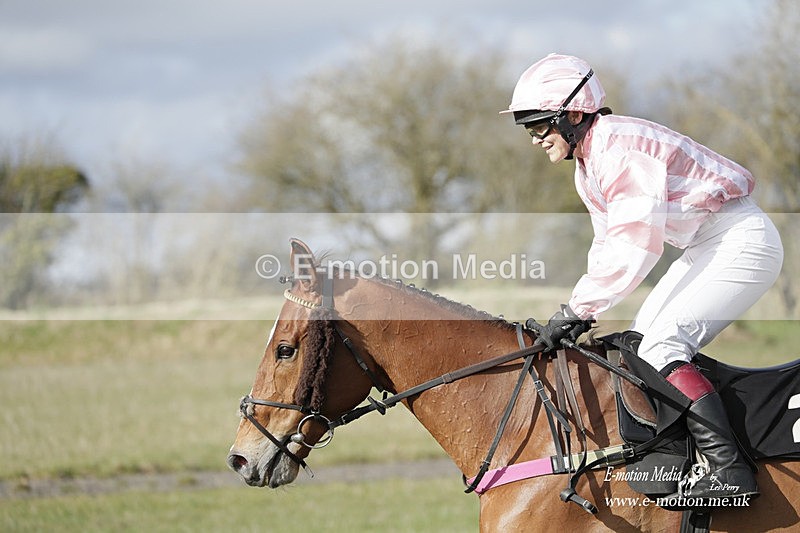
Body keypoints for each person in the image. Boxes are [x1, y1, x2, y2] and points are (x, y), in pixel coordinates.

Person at [503, 53, 784, 504]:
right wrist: (578, 307)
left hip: (741, 240)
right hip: (707, 244)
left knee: (663, 347)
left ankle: (729, 469)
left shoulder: (617, 150)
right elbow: (607, 246)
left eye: (539, 125)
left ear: (574, 115)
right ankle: (677, 452)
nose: (535, 139)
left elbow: (636, 244)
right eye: (529, 129)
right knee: (641, 342)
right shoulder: (589, 164)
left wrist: (579, 311)